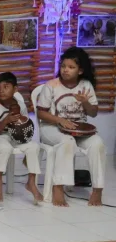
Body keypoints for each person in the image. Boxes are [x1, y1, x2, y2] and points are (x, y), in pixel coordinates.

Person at [36, 46, 105, 206]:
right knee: (67, 142)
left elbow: (93, 113)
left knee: (98, 144)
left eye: (71, 67)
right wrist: (60, 120)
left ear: (80, 71)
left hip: (79, 130)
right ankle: (58, 187)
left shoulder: (86, 85)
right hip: (51, 128)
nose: (65, 70)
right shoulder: (51, 85)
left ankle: (97, 189)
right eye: (63, 66)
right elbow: (41, 113)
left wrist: (85, 102)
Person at [0, 72, 43, 205]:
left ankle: (31, 182)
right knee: (5, 147)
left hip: (12, 137)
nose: (1, 91)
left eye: (6, 87)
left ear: (15, 89)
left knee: (34, 146)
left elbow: (25, 123)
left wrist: (23, 130)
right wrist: (6, 120)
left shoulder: (20, 105)